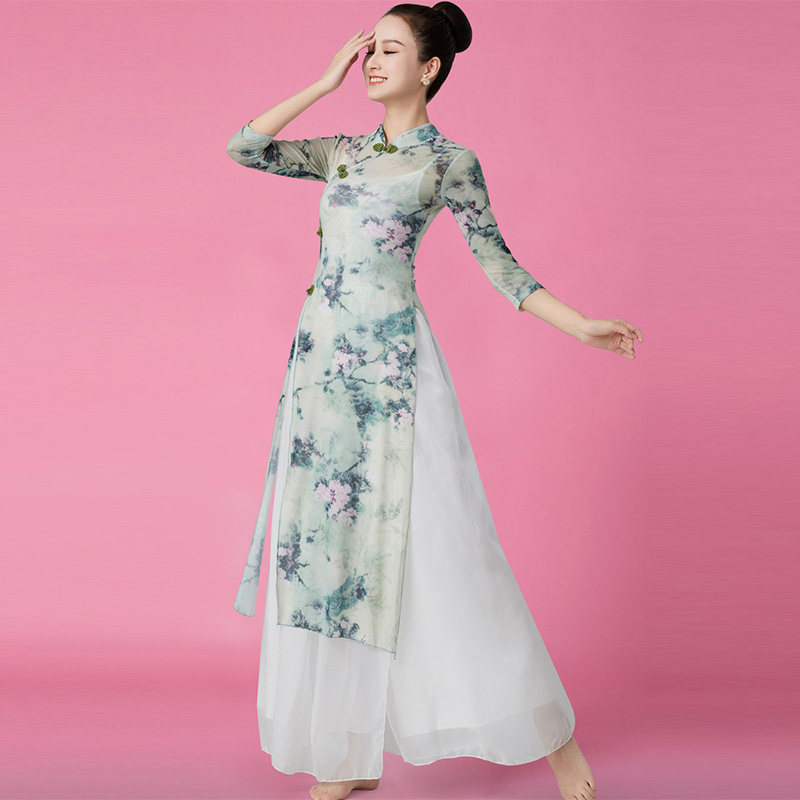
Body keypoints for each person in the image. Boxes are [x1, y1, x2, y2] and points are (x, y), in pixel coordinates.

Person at [226, 4, 641, 799]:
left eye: (389, 50)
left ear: (431, 68)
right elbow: (245, 147)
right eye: (367, 49)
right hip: (321, 377)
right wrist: (322, 81)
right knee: (325, 558)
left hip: (395, 373)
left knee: (448, 551)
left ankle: (554, 738)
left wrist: (580, 324)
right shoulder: (341, 153)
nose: (371, 60)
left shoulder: (450, 162)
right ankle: (347, 754)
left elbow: (501, 264)